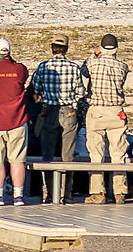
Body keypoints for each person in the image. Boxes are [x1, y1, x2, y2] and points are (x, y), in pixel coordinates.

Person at [30, 36, 87, 204]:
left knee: (48, 155)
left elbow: (36, 87)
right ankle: (67, 193)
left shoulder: (43, 66)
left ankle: (50, 192)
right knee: (68, 154)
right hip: (69, 110)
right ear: (66, 49)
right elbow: (81, 92)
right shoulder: (74, 67)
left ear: (51, 48)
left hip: (49, 111)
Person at [0, 39, 30, 207]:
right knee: (18, 160)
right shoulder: (19, 69)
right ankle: (18, 195)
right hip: (17, 120)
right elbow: (22, 78)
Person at [85, 34, 133, 204]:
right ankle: (120, 191)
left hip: (97, 110)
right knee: (118, 152)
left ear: (102, 48)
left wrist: (94, 53)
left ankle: (98, 192)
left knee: (96, 153)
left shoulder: (93, 63)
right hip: (116, 111)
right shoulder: (123, 66)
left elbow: (84, 70)